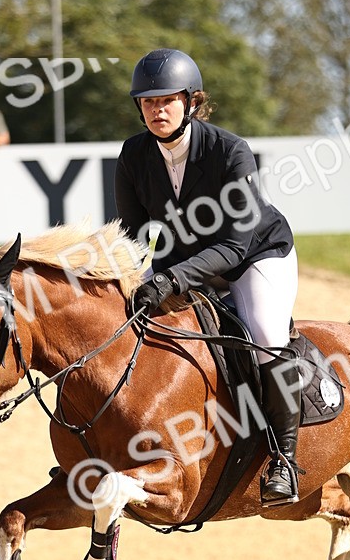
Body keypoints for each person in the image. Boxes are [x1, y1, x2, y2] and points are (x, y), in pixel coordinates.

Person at [116, 48, 301, 506]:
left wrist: (170, 280)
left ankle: (284, 459)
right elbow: (133, 237)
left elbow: (234, 247)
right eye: (148, 102)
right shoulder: (134, 154)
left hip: (255, 256)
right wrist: (132, 281)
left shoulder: (230, 151)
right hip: (185, 262)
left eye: (167, 100)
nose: (157, 110)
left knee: (266, 336)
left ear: (191, 101)